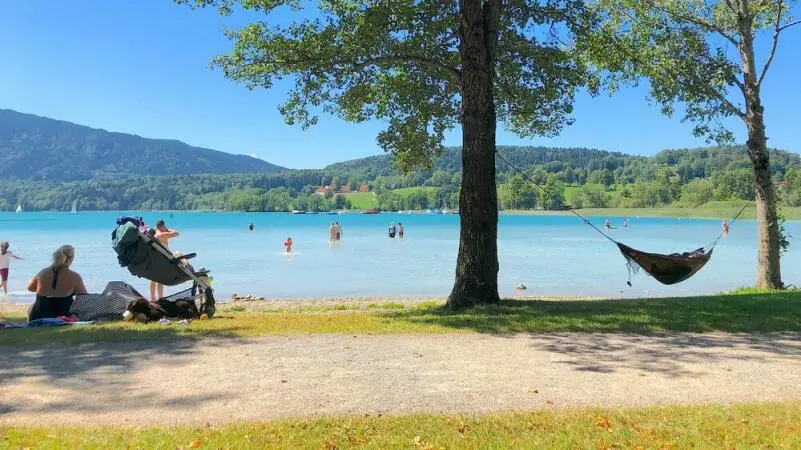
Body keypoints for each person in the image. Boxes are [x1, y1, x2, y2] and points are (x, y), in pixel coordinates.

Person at [26, 245, 87, 321]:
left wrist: (48, 290)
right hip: (62, 317)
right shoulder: (75, 276)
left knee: (31, 307)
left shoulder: (43, 272)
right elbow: (84, 297)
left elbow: (30, 288)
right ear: (71, 259)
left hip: (38, 316)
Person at [150, 219, 180, 302]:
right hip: (162, 259)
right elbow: (177, 233)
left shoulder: (155, 233)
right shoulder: (162, 234)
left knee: (153, 279)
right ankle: (160, 298)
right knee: (160, 279)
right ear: (162, 226)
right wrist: (168, 229)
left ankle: (152, 298)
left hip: (155, 258)